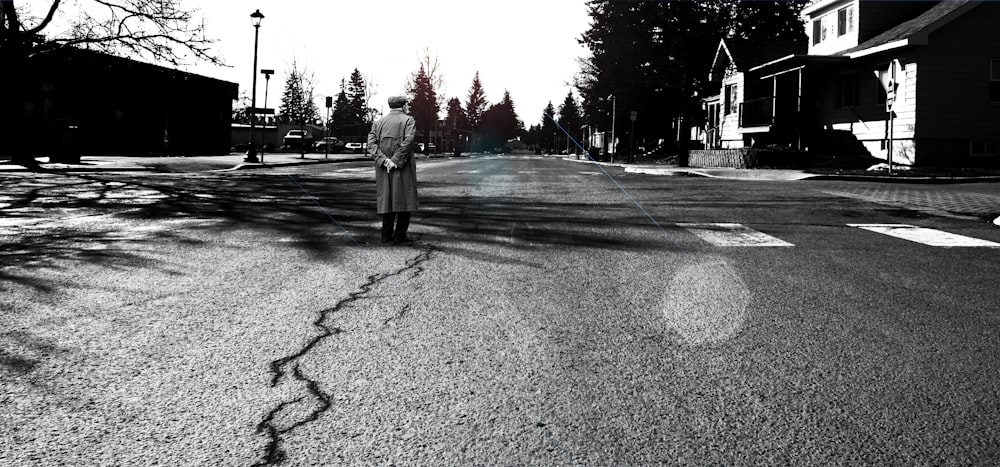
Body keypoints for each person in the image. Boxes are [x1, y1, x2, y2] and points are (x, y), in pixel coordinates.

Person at [367, 95, 418, 244]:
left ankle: (386, 234)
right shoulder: (408, 120)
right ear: (403, 106)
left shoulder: (378, 123)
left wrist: (384, 161)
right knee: (404, 197)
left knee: (386, 198)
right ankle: (400, 235)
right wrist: (395, 160)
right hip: (402, 165)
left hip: (384, 167)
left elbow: (371, 144)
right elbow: (409, 141)